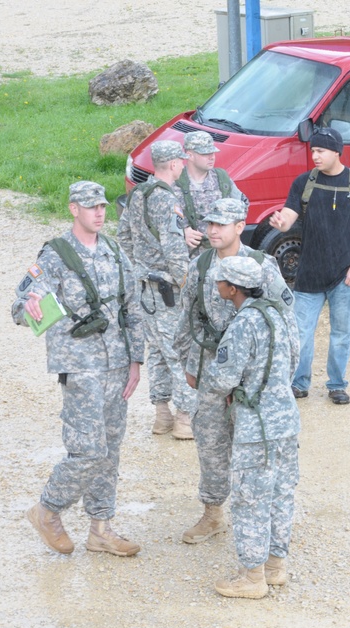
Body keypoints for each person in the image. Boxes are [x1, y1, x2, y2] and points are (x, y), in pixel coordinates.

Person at [12, 181, 144, 557]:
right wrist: (30, 307)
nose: (99, 213)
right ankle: (48, 510)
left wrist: (136, 360)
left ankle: (101, 529)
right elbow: (21, 305)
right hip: (80, 367)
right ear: (73, 209)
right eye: (90, 207)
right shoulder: (55, 255)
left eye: (102, 206)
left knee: (110, 451)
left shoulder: (115, 252)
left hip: (117, 365)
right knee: (88, 452)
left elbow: (131, 309)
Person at [173, 197, 294, 545]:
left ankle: (261, 528)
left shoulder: (262, 266)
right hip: (212, 369)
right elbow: (187, 318)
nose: (212, 230)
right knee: (210, 442)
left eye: (220, 225)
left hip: (254, 377)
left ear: (240, 227)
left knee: (253, 450)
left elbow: (286, 322)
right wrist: (189, 363)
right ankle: (213, 513)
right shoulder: (200, 266)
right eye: (209, 224)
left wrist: (281, 377)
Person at [201, 256, 300, 599]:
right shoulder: (279, 315)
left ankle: (252, 576)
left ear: (232, 289)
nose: (217, 287)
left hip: (255, 427)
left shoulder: (243, 324)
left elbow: (223, 377)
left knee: (250, 498)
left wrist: (215, 384)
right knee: (281, 494)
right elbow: (295, 359)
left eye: (220, 283)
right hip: (286, 421)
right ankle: (275, 566)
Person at [268, 127, 350, 405]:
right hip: (309, 272)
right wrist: (282, 223)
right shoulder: (304, 182)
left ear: (336, 152)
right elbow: (290, 215)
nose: (314, 155)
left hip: (346, 275)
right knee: (300, 332)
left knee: (341, 333)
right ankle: (299, 383)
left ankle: (337, 385)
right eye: (313, 150)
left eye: (321, 151)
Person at [125, 139, 197, 439]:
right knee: (179, 351)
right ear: (173, 164)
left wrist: (139, 267)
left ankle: (162, 416)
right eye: (181, 161)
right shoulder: (166, 199)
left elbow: (123, 236)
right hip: (169, 289)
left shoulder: (138, 194)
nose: (182, 165)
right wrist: (185, 281)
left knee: (156, 351)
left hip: (145, 287)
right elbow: (174, 246)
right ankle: (183, 419)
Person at [173, 130, 242, 254]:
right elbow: (162, 216)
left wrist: (228, 229)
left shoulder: (222, 179)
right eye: (205, 154)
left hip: (221, 255)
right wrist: (183, 230)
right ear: (190, 155)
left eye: (212, 152)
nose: (212, 157)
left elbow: (242, 207)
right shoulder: (175, 182)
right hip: (188, 257)